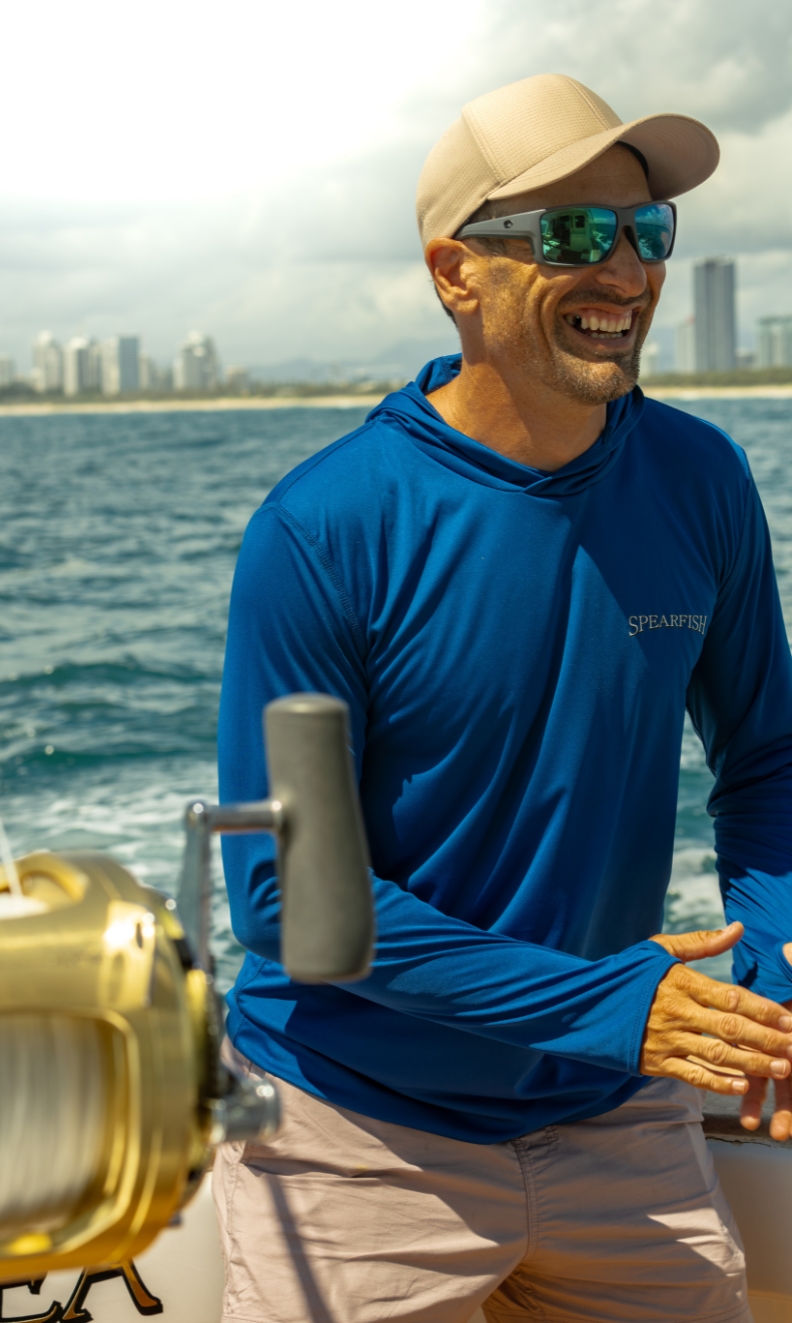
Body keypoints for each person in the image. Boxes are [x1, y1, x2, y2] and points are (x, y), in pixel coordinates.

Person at [214, 73, 792, 1323]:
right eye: (577, 236)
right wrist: (609, 1004)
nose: (626, 275)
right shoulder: (323, 530)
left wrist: (769, 969)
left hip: (608, 1110)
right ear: (453, 272)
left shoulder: (699, 479)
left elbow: (767, 758)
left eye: (647, 233)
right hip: (355, 1127)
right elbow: (291, 903)